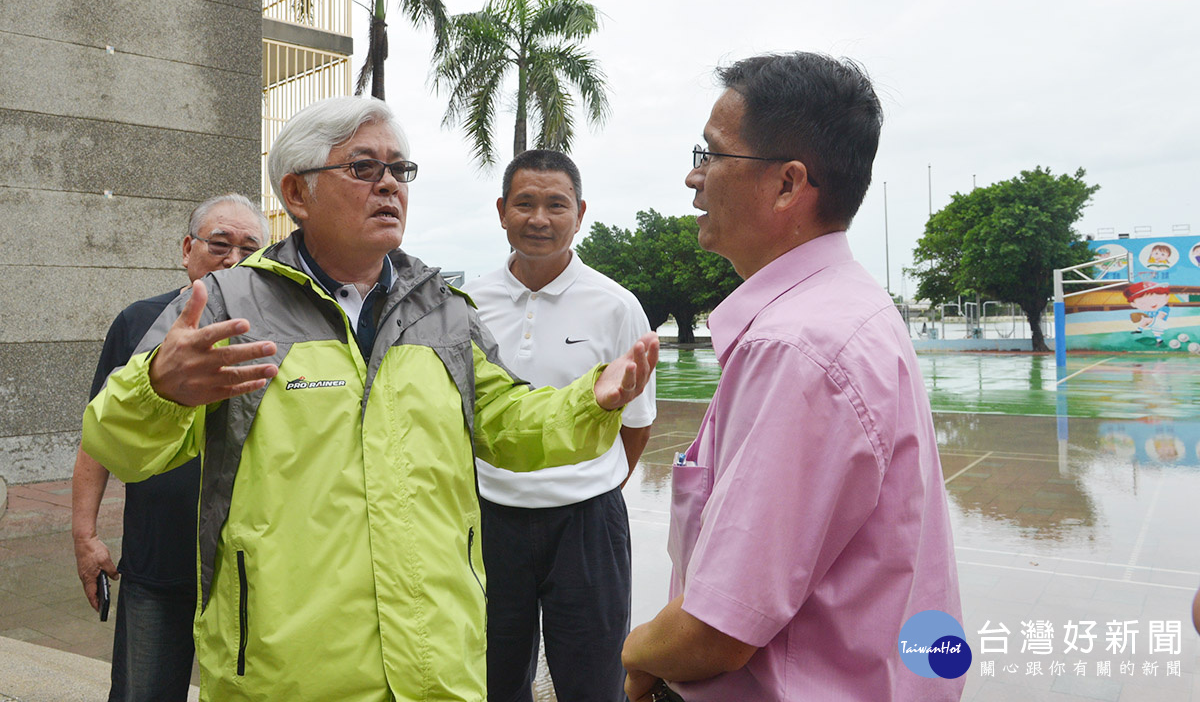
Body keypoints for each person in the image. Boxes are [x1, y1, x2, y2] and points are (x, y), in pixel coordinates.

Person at [82, 95, 657, 702]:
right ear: (297, 194)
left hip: (436, 668)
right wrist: (159, 391)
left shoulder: (442, 308)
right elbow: (119, 444)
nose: (389, 185)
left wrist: (587, 401)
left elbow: (506, 423)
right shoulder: (229, 304)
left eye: (399, 169)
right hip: (289, 671)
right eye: (363, 168)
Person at [621, 53, 963, 701]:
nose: (694, 178)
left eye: (713, 155)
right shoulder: (847, 308)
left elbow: (716, 631)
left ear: (787, 184)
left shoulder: (798, 347)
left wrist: (635, 654)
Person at [466, 150, 656, 702]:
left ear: (581, 213)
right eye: (524, 203)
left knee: (593, 680)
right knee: (493, 679)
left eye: (556, 204)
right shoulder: (469, 305)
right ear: (502, 211)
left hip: (586, 525)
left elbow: (636, 426)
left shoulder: (616, 305)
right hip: (490, 517)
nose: (539, 218)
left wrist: (588, 486)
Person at [72, 194, 269, 702]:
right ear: (187, 248)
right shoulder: (138, 322)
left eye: (250, 248)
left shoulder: (277, 336)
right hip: (157, 565)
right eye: (220, 244)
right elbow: (99, 438)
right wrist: (85, 535)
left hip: (248, 573)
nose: (234, 259)